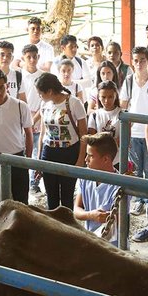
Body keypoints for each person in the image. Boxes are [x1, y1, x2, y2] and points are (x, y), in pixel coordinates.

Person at [0, 69, 34, 205]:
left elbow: (28, 132)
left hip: (17, 157)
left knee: (21, 200)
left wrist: (27, 156)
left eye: (2, 87)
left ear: (7, 86)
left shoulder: (20, 106)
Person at [36, 73, 88, 210]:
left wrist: (81, 159)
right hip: (49, 151)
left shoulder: (74, 102)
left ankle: (67, 227)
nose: (39, 96)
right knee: (51, 195)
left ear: (50, 91)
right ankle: (53, 227)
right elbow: (43, 133)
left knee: (67, 194)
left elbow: (83, 134)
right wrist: (39, 159)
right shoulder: (44, 104)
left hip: (69, 152)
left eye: (41, 93)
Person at [119, 46, 148, 216]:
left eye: (142, 60)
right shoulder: (128, 81)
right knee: (136, 170)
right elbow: (123, 106)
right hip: (134, 132)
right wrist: (126, 133)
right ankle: (138, 201)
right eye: (135, 60)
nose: (139, 63)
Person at [73, 132, 121, 246]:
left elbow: (120, 222)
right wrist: (91, 215)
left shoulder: (119, 186)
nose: (85, 159)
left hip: (112, 246)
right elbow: (76, 210)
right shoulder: (85, 177)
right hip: (90, 240)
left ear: (105, 159)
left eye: (90, 156)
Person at [19, 44, 45, 194]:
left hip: (39, 118)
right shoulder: (19, 76)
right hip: (23, 120)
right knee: (24, 152)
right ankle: (24, 182)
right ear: (23, 58)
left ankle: (34, 183)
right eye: (28, 57)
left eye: (34, 56)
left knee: (38, 153)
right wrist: (26, 120)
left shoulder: (43, 76)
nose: (32, 59)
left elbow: (45, 101)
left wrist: (34, 119)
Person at [87, 81, 122, 160]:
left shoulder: (123, 114)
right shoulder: (94, 115)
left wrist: (102, 143)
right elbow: (93, 140)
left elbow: (124, 140)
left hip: (118, 159)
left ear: (115, 96)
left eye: (110, 97)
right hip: (99, 159)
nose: (106, 101)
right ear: (98, 97)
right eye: (103, 97)